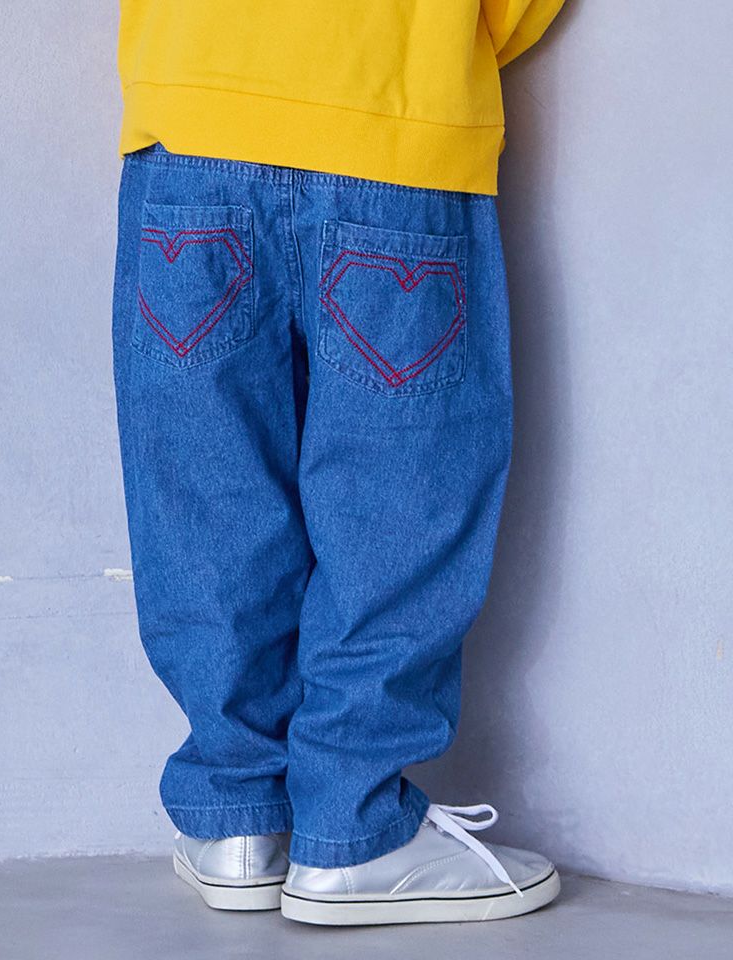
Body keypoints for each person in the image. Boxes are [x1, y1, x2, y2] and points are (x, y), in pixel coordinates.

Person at [112, 0, 565, 927]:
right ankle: (352, 828)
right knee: (399, 501)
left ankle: (238, 816)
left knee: (205, 494)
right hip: (394, 123)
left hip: (191, 118)